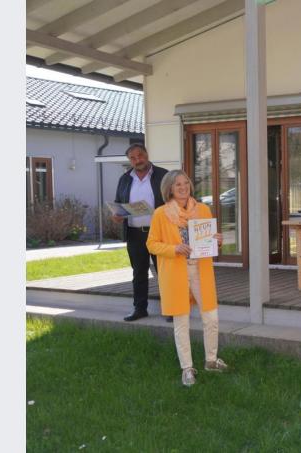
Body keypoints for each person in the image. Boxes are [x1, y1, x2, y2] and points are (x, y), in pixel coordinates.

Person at [147, 170, 229, 386]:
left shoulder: (203, 210)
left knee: (211, 317)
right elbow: (152, 244)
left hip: (200, 271)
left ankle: (211, 360)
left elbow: (208, 240)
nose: (183, 187)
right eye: (177, 185)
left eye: (185, 183)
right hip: (175, 272)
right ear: (169, 189)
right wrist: (174, 248)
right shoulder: (160, 214)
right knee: (181, 322)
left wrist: (217, 240)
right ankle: (187, 368)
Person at [111, 143, 169, 322]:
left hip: (159, 233)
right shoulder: (125, 178)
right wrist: (117, 215)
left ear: (147, 154)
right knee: (139, 272)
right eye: (133, 158)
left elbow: (173, 200)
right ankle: (140, 308)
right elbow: (118, 202)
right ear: (130, 160)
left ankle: (171, 309)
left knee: (165, 272)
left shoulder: (163, 175)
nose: (137, 160)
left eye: (140, 155)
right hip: (135, 233)